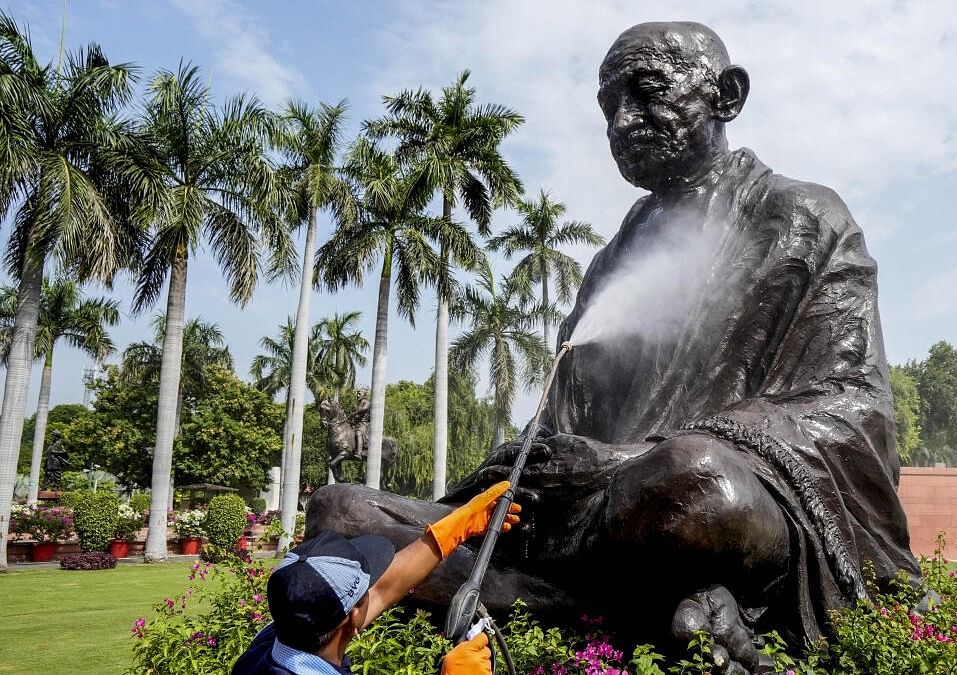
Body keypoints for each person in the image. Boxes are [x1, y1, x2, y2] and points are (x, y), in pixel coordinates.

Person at [306, 21, 920, 673]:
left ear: (727, 97)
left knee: (694, 479)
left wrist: (624, 461)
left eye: (646, 92)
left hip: (691, 500)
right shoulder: (614, 265)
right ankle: (567, 597)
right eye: (609, 107)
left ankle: (547, 596)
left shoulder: (805, 219)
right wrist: (525, 471)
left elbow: (853, 413)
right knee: (341, 509)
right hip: (590, 522)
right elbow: (558, 429)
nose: (623, 121)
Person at [232, 481, 519, 674]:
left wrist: (458, 526)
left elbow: (386, 587)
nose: (375, 587)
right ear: (353, 618)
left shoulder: (270, 641)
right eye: (364, 589)